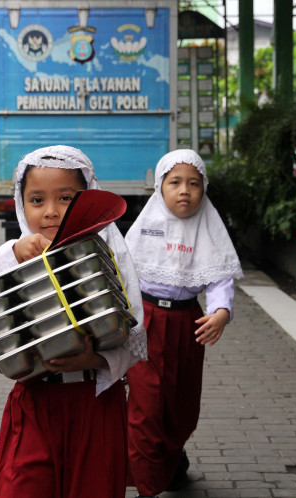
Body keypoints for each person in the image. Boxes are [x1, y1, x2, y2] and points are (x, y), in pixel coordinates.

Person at [0, 145, 147, 498]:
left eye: (66, 198)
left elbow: (134, 341)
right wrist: (12, 255)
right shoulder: (11, 253)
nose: (51, 211)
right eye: (37, 200)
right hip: (35, 402)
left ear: (87, 200)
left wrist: (94, 360)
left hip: (95, 404)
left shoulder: (105, 256)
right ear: (21, 203)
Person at [124, 149, 243, 497]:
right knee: (146, 406)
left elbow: (220, 279)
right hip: (144, 323)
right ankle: (149, 485)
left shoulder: (209, 225)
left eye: (194, 183)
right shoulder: (144, 227)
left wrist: (221, 312)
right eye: (174, 182)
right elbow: (122, 277)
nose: (184, 190)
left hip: (187, 325)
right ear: (160, 187)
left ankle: (173, 460)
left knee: (181, 406)